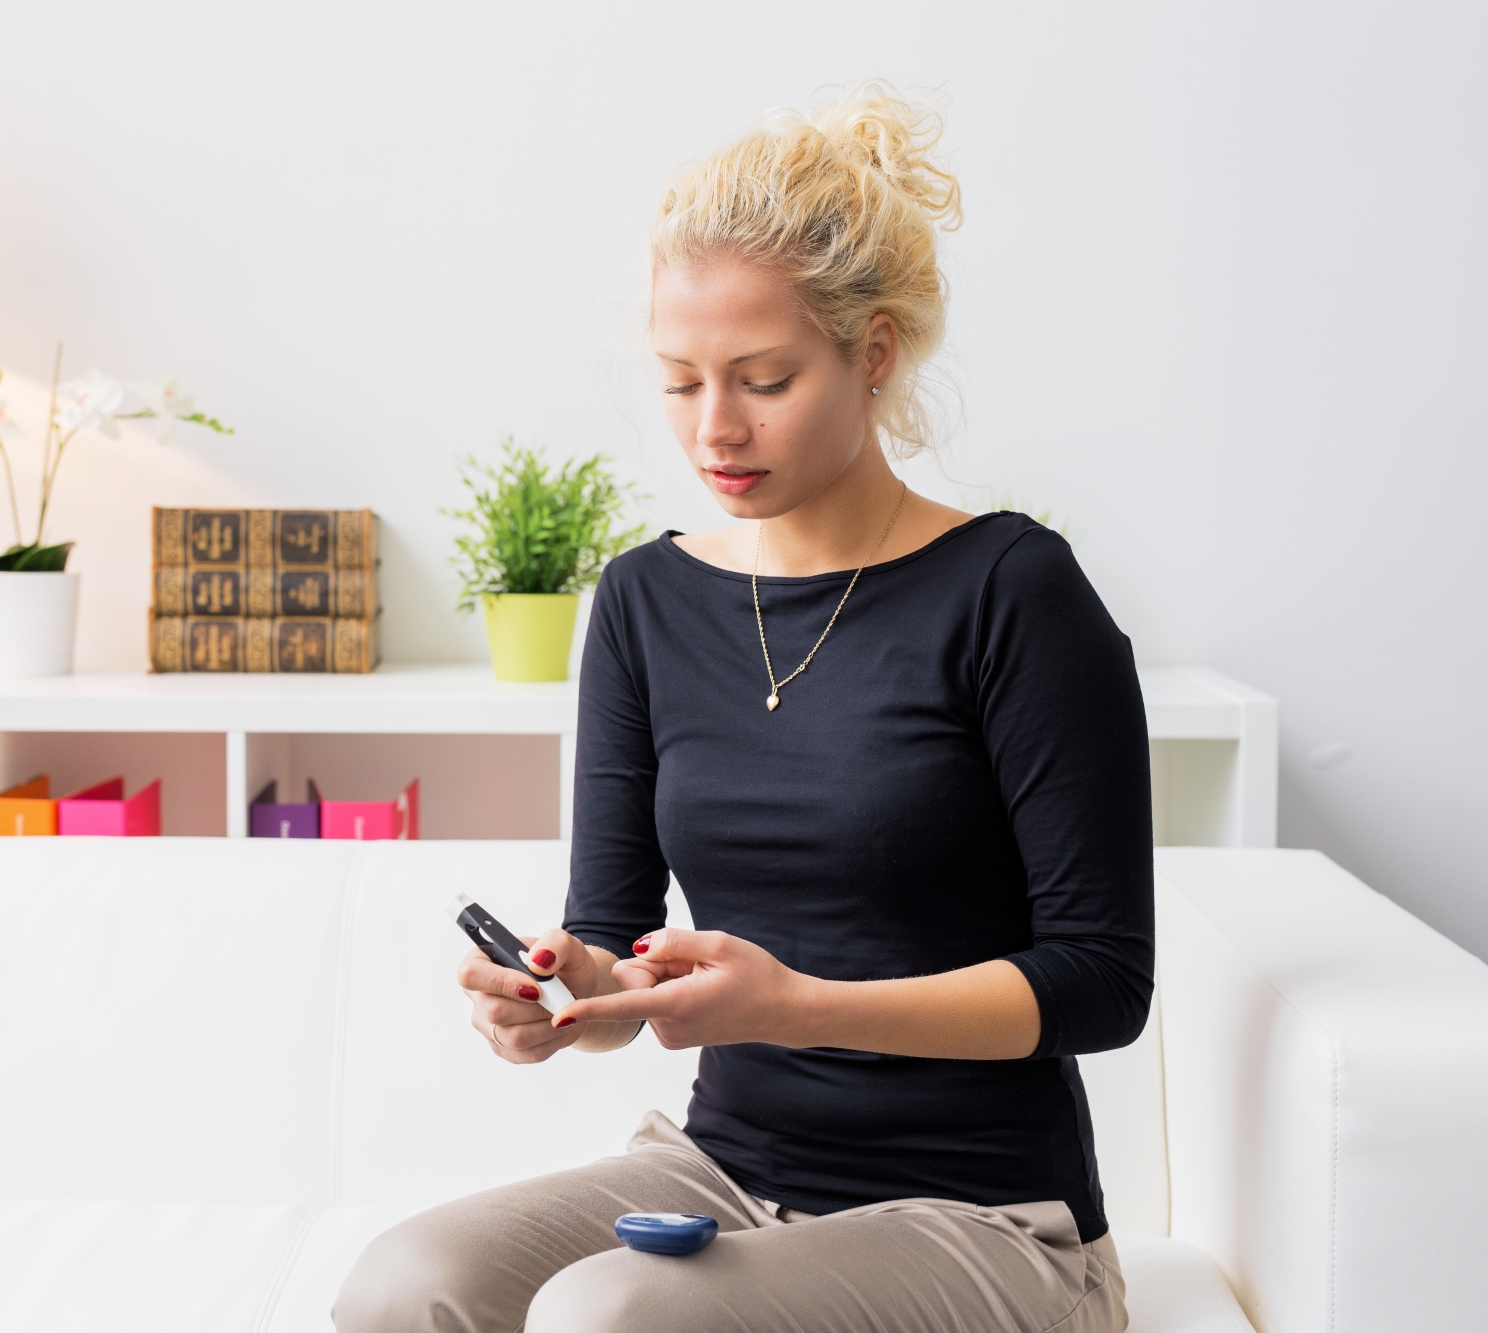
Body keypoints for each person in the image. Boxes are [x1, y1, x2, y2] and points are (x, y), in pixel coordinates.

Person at [334, 84, 1151, 1333]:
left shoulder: (1009, 590)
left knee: (610, 1315)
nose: (714, 427)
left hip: (989, 1219)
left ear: (872, 353)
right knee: (404, 1284)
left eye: (764, 378)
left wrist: (797, 1005)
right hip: (723, 1172)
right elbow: (608, 932)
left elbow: (1102, 982)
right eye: (679, 381)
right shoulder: (645, 599)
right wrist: (562, 999)